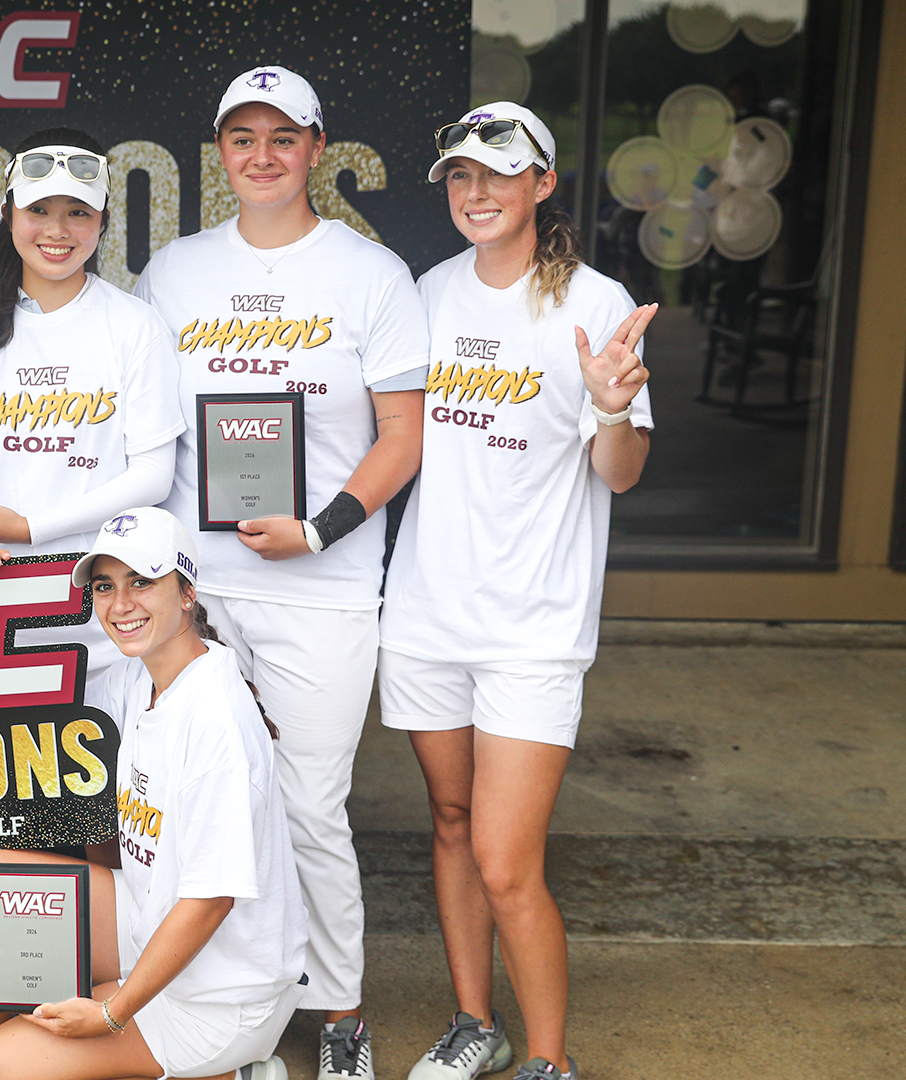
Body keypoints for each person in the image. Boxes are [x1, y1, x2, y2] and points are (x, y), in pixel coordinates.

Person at [132, 65, 428, 1079]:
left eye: (283, 138)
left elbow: (402, 437)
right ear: (220, 150)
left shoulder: (371, 274)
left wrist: (320, 527)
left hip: (321, 590)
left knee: (306, 808)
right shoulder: (173, 271)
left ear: (317, 148)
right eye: (242, 138)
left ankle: (340, 1014)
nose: (262, 157)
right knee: (190, 810)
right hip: (198, 593)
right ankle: (235, 1018)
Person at [380, 103, 655, 1080]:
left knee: (506, 860)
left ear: (543, 184)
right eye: (460, 175)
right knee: (452, 827)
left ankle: (548, 1059)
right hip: (427, 614)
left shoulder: (596, 301)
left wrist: (613, 410)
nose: (477, 192)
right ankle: (474, 1022)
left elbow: (620, 473)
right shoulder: (428, 293)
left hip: (534, 628)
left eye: (499, 173)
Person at [0, 506, 307, 1080]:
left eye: (142, 581)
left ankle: (228, 1071)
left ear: (188, 593)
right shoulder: (140, 673)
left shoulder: (216, 721)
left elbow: (211, 902)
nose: (120, 604)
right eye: (105, 586)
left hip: (220, 996)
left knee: (10, 1062)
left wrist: (111, 1012)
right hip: (150, 912)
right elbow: (18, 711)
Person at [0, 129, 185, 694]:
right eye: (38, 210)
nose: (57, 230)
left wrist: (30, 529)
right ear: (8, 215)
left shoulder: (134, 326)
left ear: (102, 222)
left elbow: (153, 476)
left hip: (96, 615)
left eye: (78, 213)